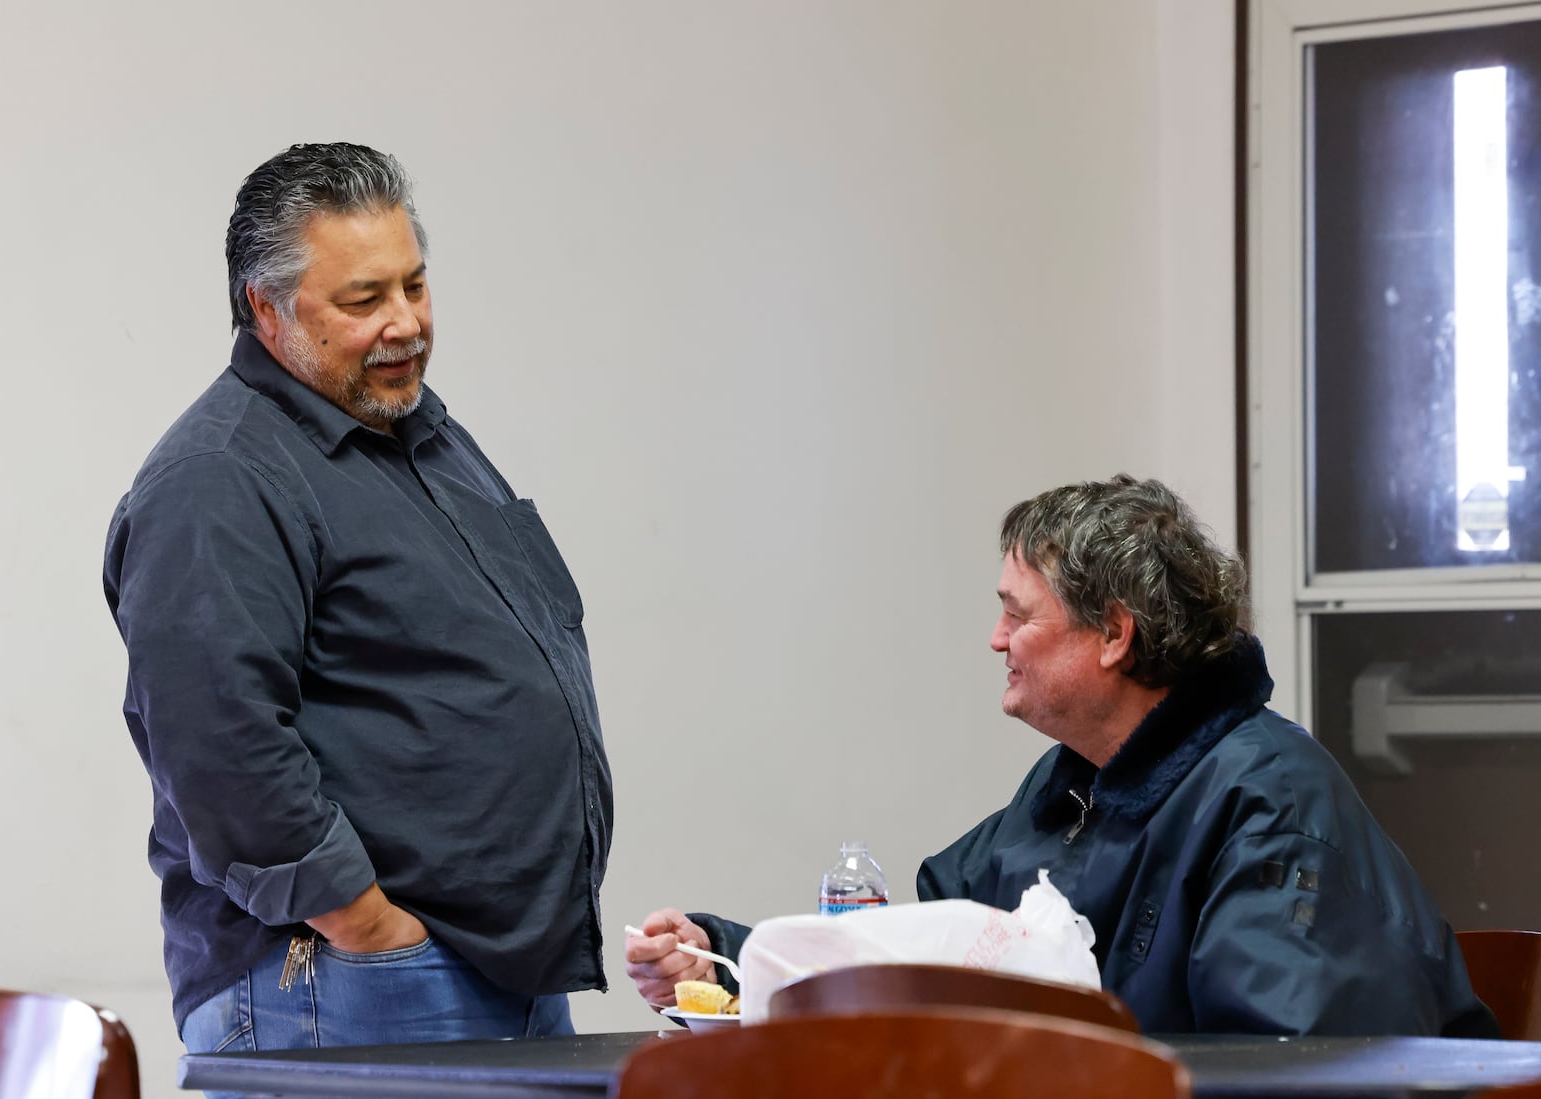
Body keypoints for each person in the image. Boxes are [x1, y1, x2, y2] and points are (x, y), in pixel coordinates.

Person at [627, 475, 1497, 1037]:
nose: (994, 639)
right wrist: (731, 962)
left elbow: (1282, 1068)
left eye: (1019, 613)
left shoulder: (1269, 804)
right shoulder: (1072, 779)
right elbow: (918, 954)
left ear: (1114, 634)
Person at [104, 143, 612, 1059]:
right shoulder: (220, 477)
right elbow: (219, 744)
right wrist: (370, 926)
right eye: (364, 300)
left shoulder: (417, 431)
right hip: (351, 983)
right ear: (265, 309)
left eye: (415, 286)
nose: (406, 323)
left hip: (493, 975)